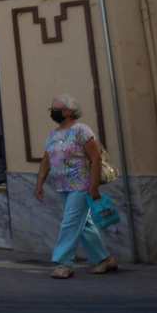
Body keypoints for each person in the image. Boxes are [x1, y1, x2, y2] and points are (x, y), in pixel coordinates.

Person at [35, 93, 117, 278]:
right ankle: (105, 259)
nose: (53, 112)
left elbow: (95, 159)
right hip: (62, 185)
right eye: (52, 109)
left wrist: (93, 187)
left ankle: (64, 263)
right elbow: (46, 160)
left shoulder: (82, 131)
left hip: (81, 184)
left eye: (56, 109)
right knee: (84, 224)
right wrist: (39, 183)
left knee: (70, 223)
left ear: (69, 111)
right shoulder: (53, 135)